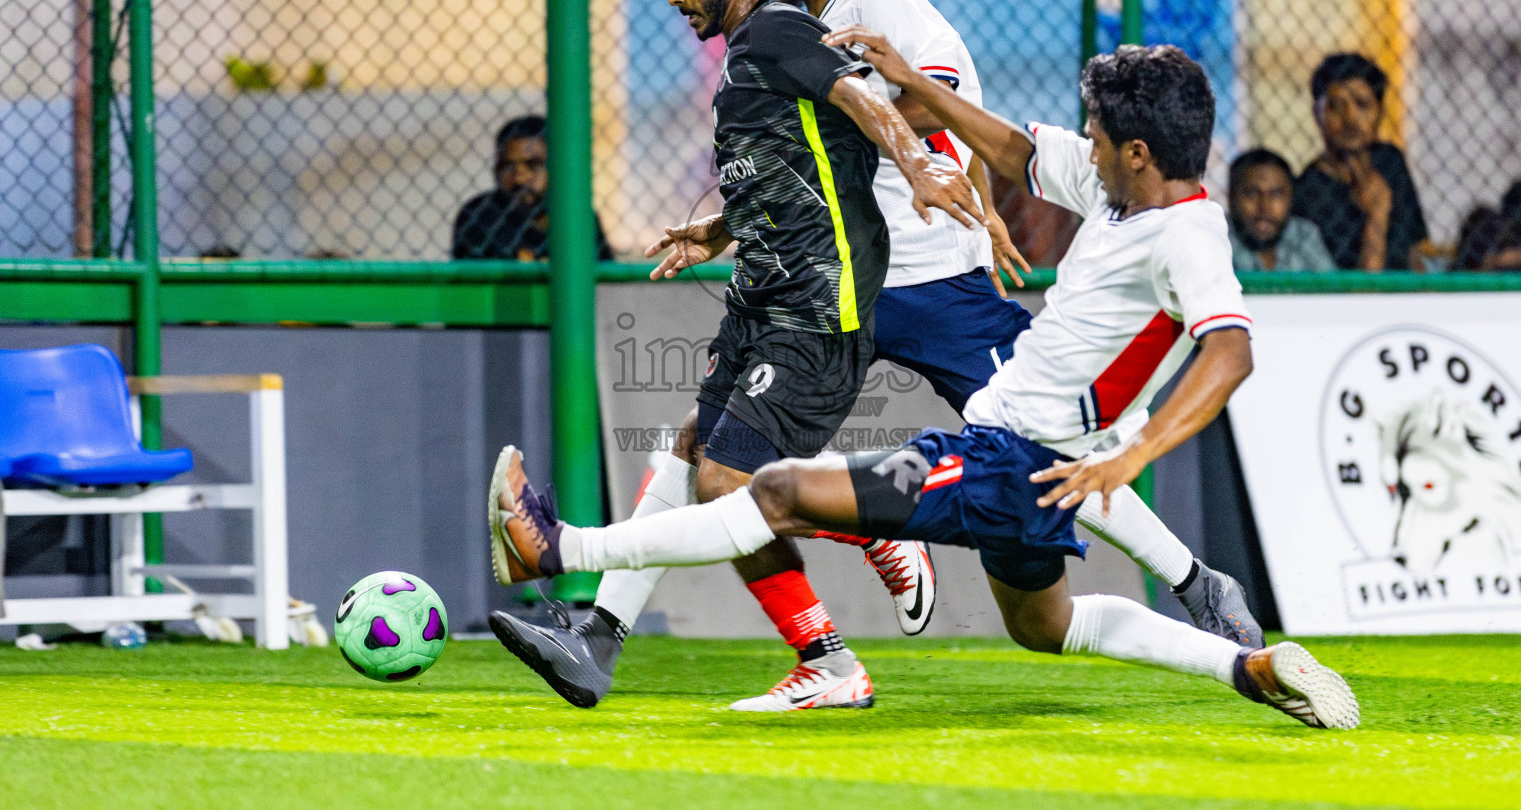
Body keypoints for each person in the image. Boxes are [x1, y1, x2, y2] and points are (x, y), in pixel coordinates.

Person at [492, 0, 1262, 714]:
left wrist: (954, 174)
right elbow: (805, 153)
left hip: (932, 287)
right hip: (833, 280)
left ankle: (1193, 580)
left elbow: (919, 106)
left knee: (1035, 449)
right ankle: (600, 634)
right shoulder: (785, 23)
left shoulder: (887, 6)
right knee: (706, 447)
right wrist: (723, 220)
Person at [489, 42, 1359, 729]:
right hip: (1033, 471)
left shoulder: (1187, 239)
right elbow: (1017, 152)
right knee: (1045, 626)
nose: (1083, 147)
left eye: (1096, 137)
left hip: (1009, 461)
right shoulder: (1122, 192)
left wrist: (1134, 455)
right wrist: (920, 87)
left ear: (1138, 150)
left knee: (783, 489)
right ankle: (1245, 667)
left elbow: (1231, 353)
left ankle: (558, 549)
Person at [488, 0, 983, 711]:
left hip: (817, 313)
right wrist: (718, 230)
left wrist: (922, 161)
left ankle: (850, 576)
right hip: (763, 302)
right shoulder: (751, 51)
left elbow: (863, 103)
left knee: (727, 483)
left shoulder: (781, 30)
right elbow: (796, 167)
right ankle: (601, 643)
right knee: (689, 455)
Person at [1291, 54, 1428, 270]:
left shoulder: (1389, 161)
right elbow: (1358, 290)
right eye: (1336, 106)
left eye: (1363, 105)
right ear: (1318, 116)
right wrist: (1377, 215)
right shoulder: (1307, 190)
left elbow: (1414, 252)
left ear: (1380, 113)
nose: (1351, 118)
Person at [451, 114, 615, 260]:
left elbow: (605, 282)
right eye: (508, 166)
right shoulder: (479, 215)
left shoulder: (578, 216)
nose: (520, 177)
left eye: (533, 165)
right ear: (496, 170)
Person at [1227, 148, 1334, 271]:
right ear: (1231, 197)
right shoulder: (1218, 240)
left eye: (1276, 194)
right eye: (1251, 193)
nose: (1265, 207)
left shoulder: (1303, 234)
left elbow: (1333, 288)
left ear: (1291, 198)